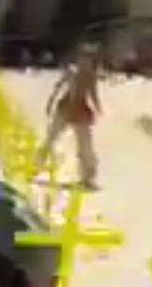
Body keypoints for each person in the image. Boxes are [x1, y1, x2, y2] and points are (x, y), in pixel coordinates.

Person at [34, 42, 103, 190]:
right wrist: (50, 102)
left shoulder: (91, 75)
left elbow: (93, 93)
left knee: (85, 147)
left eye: (89, 59)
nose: (86, 62)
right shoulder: (72, 71)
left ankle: (87, 177)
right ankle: (35, 167)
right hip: (65, 109)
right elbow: (59, 87)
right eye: (84, 58)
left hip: (81, 111)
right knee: (51, 138)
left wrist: (98, 108)